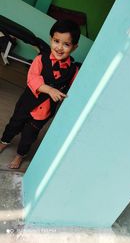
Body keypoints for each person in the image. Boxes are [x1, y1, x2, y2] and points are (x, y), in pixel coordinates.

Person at [0, 19, 81, 169]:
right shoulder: (40, 60)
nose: (59, 47)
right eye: (56, 41)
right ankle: (4, 142)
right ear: (51, 39)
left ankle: (19, 155)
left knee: (29, 137)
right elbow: (32, 79)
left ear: (74, 47)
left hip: (44, 113)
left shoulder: (73, 70)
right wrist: (50, 90)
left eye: (66, 44)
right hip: (26, 104)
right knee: (13, 124)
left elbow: (73, 88)